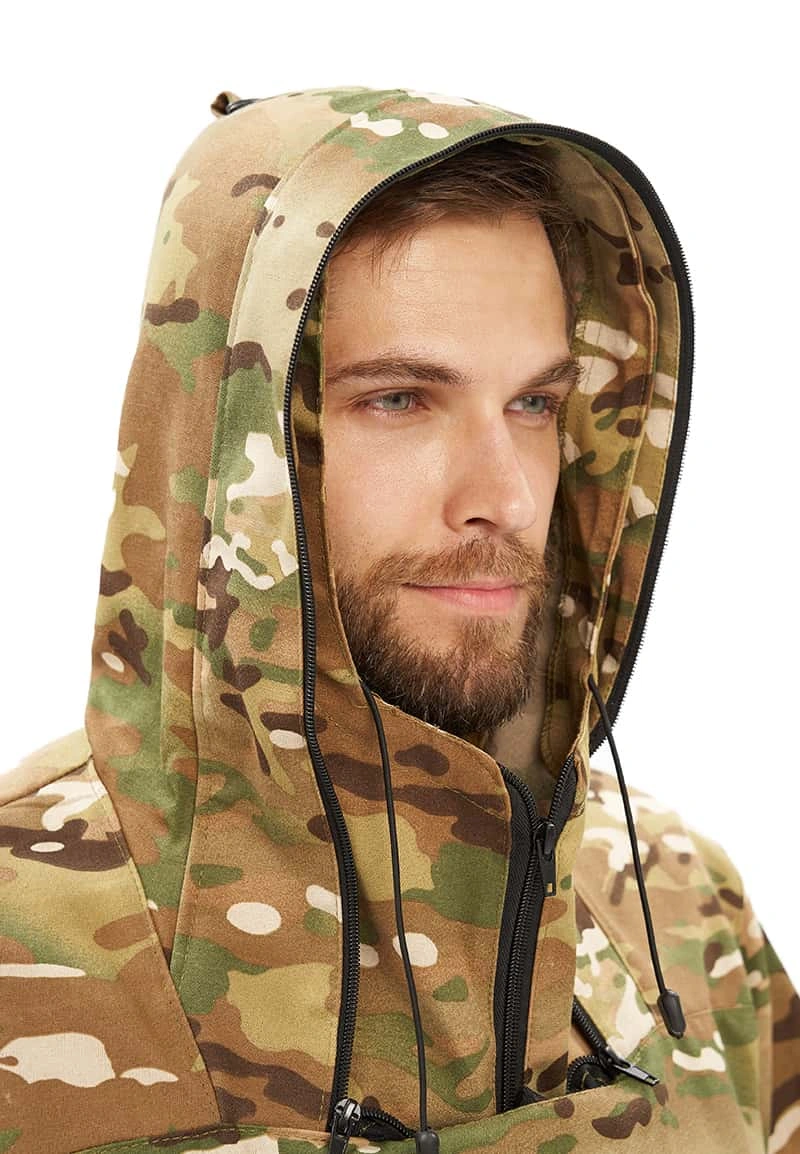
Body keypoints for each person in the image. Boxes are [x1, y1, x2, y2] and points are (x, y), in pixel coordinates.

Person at [0, 84, 797, 1154]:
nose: (506, 497)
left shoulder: (678, 908)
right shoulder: (20, 944)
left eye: (534, 403)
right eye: (399, 400)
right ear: (223, 438)